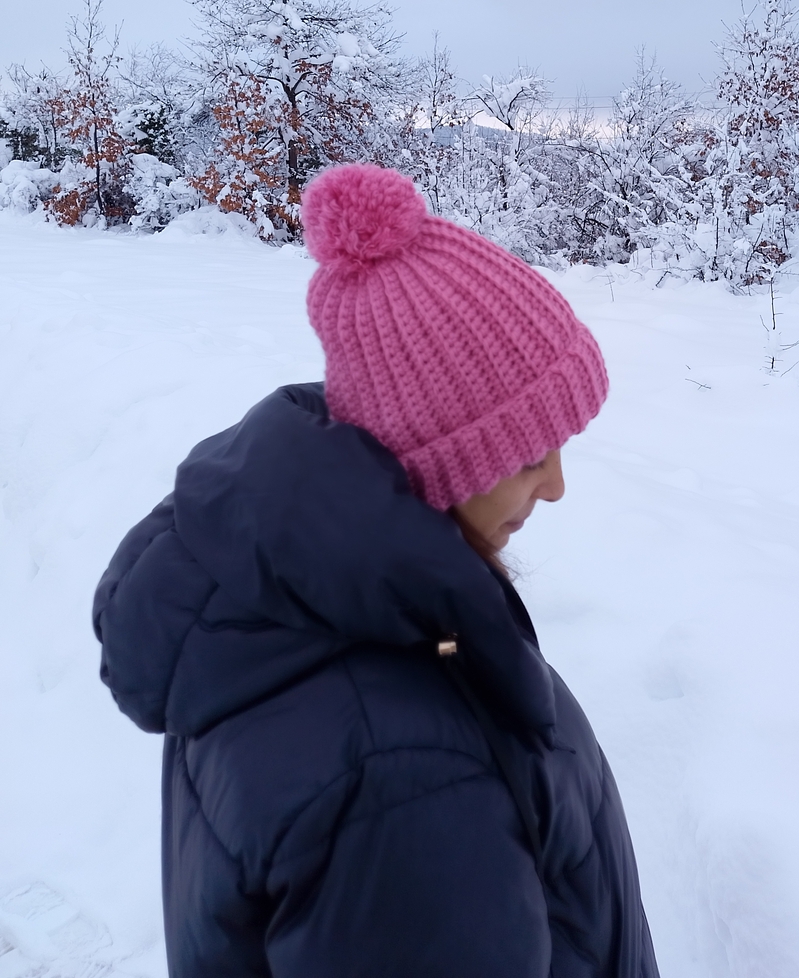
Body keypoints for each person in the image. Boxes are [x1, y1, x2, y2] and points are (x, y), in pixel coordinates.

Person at [94, 163, 659, 978]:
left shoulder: (307, 607)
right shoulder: (401, 773)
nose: (557, 487)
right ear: (441, 461)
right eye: (530, 455)